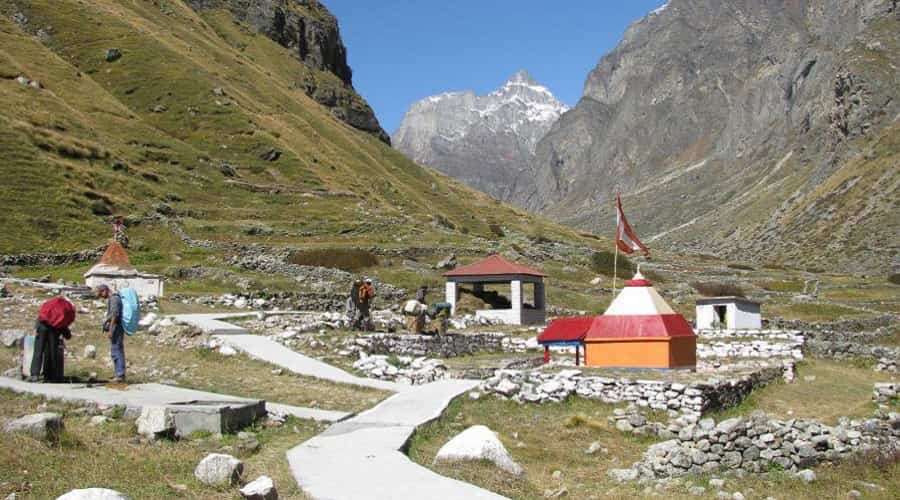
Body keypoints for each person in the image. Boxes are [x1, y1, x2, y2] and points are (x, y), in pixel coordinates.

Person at [30, 296, 75, 383]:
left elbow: (41, 315)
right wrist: (68, 335)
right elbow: (63, 323)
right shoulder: (65, 309)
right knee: (51, 353)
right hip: (54, 330)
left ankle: (34, 374)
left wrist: (36, 327)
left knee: (38, 351)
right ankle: (49, 375)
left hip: (42, 326)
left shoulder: (50, 305)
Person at [94, 285, 126, 383]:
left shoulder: (114, 299)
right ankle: (118, 374)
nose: (101, 297)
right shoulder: (114, 299)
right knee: (116, 350)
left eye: (101, 294)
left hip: (116, 327)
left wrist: (111, 330)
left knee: (116, 350)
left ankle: (120, 375)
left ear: (105, 291)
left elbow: (114, 315)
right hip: (116, 327)